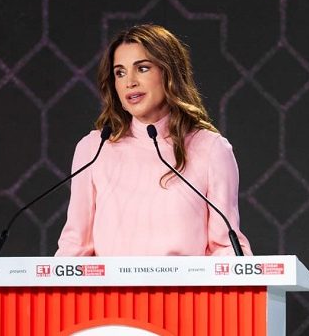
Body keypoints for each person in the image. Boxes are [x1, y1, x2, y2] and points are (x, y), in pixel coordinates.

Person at [56, 24, 251, 256]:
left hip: (185, 281)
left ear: (169, 73)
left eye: (142, 68)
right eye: (120, 73)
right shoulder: (93, 149)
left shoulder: (211, 148)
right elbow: (75, 246)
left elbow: (225, 247)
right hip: (111, 281)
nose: (129, 82)